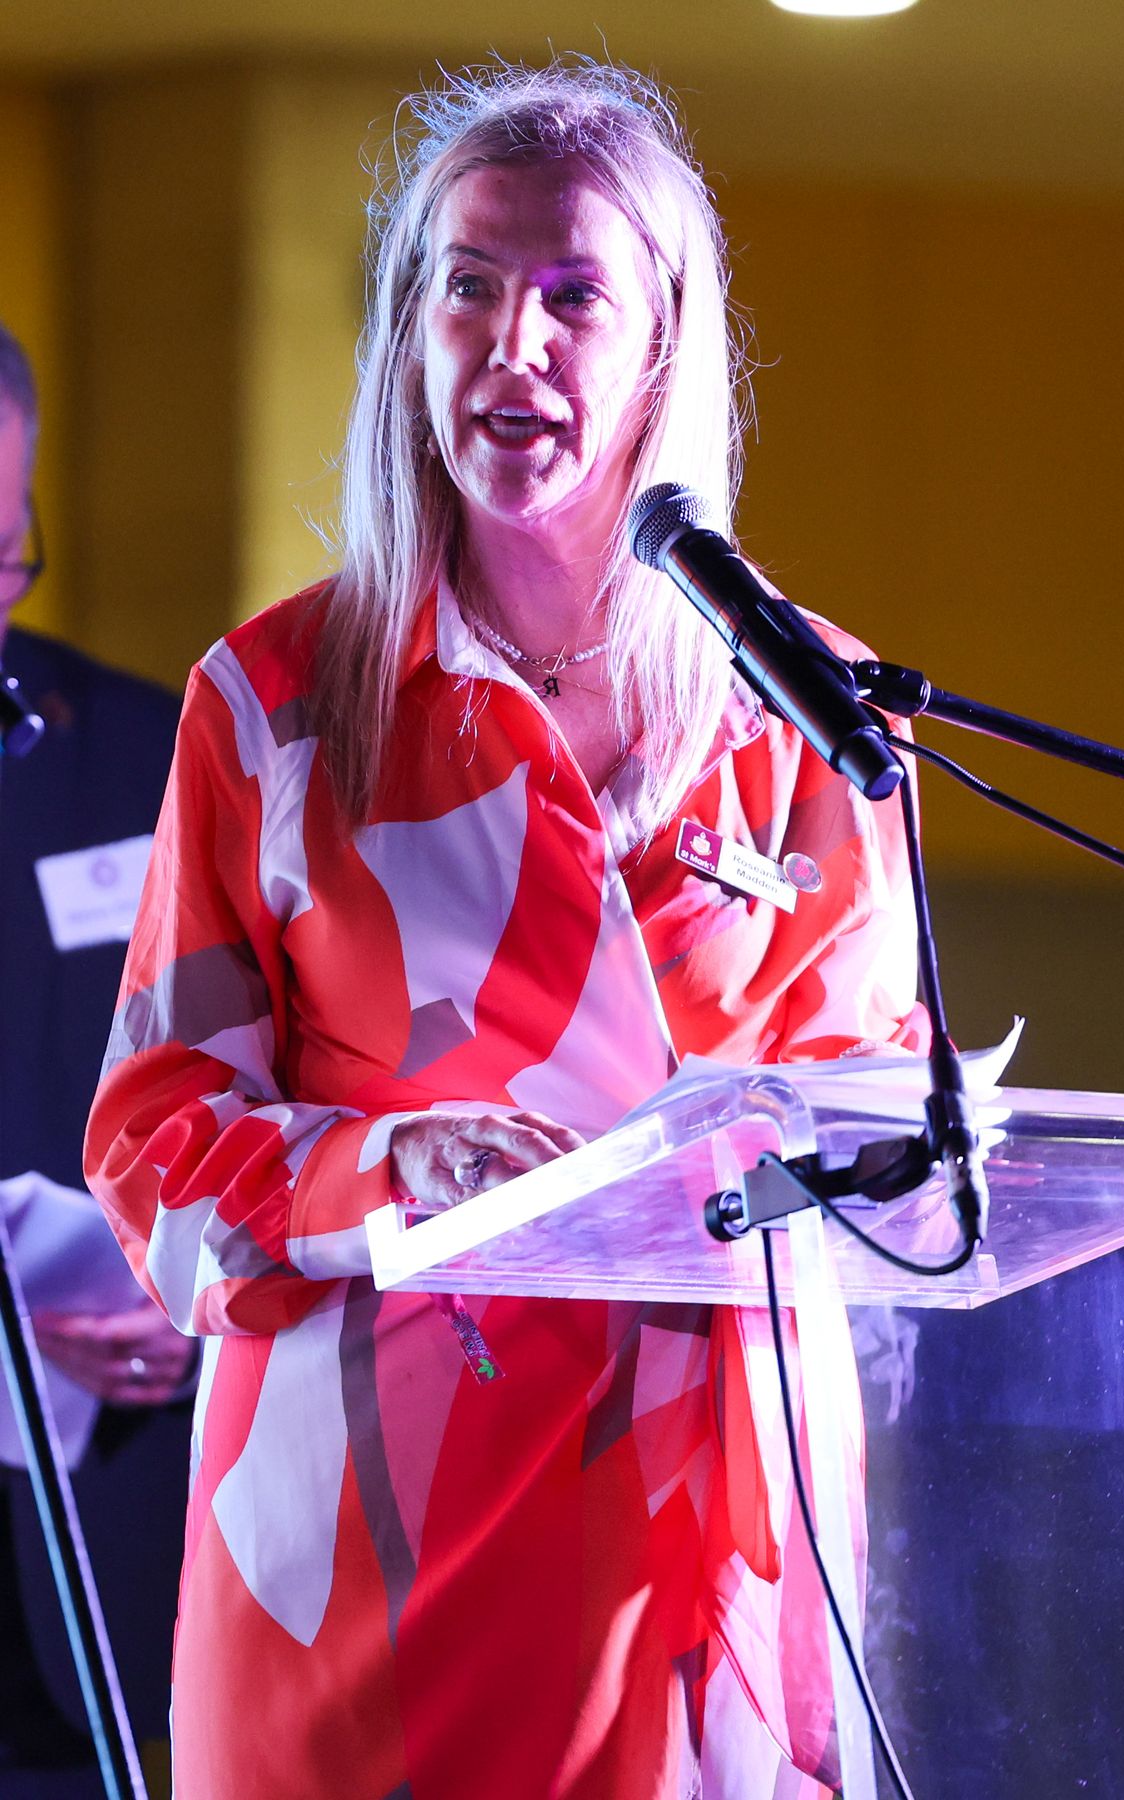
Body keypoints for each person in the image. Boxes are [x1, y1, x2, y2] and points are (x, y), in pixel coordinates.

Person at [85, 60, 928, 1800]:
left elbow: (890, 1132)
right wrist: (387, 1169)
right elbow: (153, 1149)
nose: (511, 344)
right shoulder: (276, 704)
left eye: (571, 297)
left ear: (664, 348)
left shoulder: (809, 713)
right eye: (467, 285)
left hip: (714, 1576)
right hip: (370, 1575)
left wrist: (876, 1164)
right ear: (411, 330)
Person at [0, 323, 193, 1792]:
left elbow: (253, 1082)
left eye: (7, 557)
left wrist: (208, 1288)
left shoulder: (143, 753)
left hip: (96, 1561)